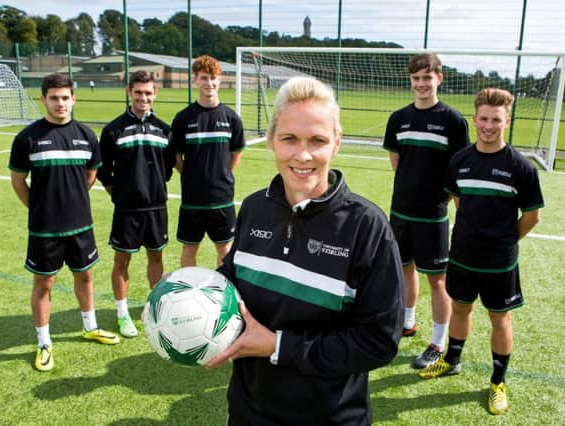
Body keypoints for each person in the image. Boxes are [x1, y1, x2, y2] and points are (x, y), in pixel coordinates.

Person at [206, 76, 405, 425]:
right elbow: (234, 278)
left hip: (331, 417)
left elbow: (379, 341)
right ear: (271, 141)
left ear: (337, 143)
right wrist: (196, 291)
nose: (303, 155)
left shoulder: (367, 228)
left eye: (317, 140)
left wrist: (279, 346)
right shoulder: (254, 208)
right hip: (247, 410)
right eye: (289, 139)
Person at [419, 88, 544, 416]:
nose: (489, 125)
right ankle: (452, 360)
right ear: (475, 119)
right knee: (460, 310)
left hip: (498, 262)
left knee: (499, 318)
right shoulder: (460, 161)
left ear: (507, 121)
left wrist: (504, 240)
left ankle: (498, 382)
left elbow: (531, 217)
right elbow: (460, 200)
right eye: (484, 119)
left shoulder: (521, 167)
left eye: (496, 120)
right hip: (461, 255)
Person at [8, 73, 120, 372]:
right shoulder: (27, 138)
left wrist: (71, 203)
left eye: (65, 97)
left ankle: (90, 326)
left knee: (85, 277)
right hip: (45, 228)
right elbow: (18, 181)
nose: (60, 103)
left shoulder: (86, 135)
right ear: (43, 99)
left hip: (81, 225)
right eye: (54, 98)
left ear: (73, 99)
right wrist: (39, 207)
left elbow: (90, 176)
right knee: (45, 283)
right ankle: (44, 341)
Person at [383, 52, 470, 369]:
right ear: (411, 80)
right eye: (416, 78)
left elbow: (460, 168)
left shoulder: (453, 120)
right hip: (401, 211)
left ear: (439, 79)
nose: (421, 84)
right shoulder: (399, 118)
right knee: (404, 269)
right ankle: (407, 321)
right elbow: (397, 163)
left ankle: (437, 342)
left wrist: (444, 198)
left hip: (433, 214)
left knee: (438, 281)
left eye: (427, 78)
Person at [97, 71, 174, 338]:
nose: (143, 97)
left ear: (155, 94)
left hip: (156, 208)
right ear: (129, 92)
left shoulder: (165, 130)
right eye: (138, 92)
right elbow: (104, 171)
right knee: (122, 261)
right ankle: (122, 314)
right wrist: (119, 194)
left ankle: (154, 308)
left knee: (156, 259)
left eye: (148, 92)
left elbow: (167, 170)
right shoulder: (113, 130)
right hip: (127, 210)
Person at [170, 55, 245, 268]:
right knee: (189, 248)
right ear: (195, 80)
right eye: (204, 78)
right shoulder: (184, 118)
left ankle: (221, 291)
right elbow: (176, 157)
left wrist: (221, 175)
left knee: (224, 248)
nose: (209, 83)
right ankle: (187, 292)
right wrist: (192, 174)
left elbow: (235, 154)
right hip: (192, 197)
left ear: (219, 80)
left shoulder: (231, 118)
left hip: (222, 197)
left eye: (213, 78)